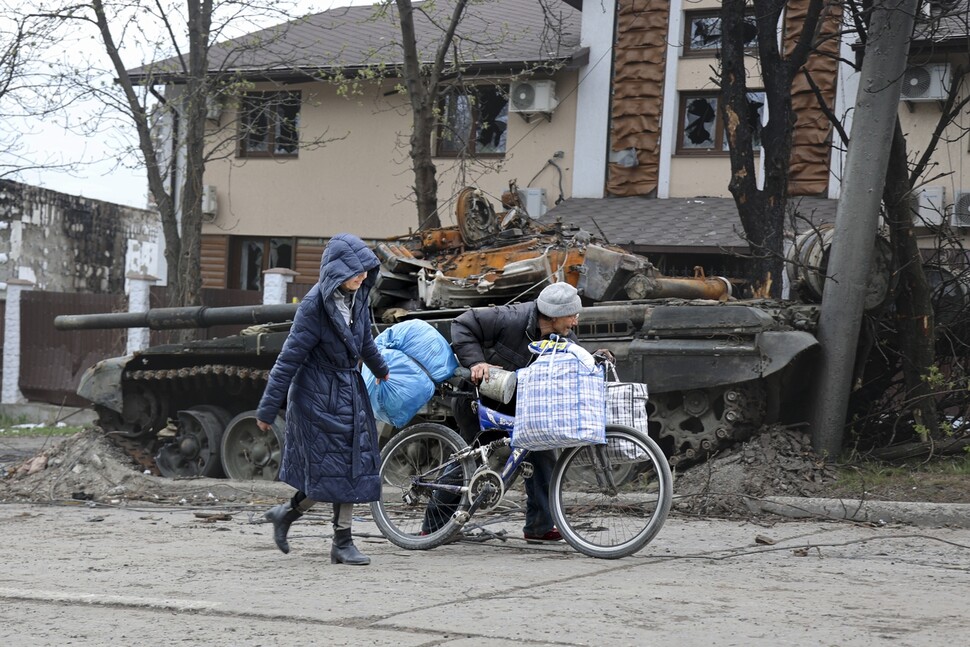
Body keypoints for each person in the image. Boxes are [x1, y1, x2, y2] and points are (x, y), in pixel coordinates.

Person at [257, 233, 389, 566]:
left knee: (347, 469)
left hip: (348, 389)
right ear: (337, 270)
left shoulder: (357, 296)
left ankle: (287, 514)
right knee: (338, 470)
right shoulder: (314, 306)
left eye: (365, 270)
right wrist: (267, 408)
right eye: (355, 271)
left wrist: (381, 369)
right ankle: (341, 543)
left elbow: (365, 341)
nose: (361, 276)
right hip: (316, 397)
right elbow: (288, 359)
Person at [446, 281, 611, 543]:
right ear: (555, 315)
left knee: (544, 456)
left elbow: (574, 360)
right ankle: (433, 525)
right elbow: (463, 323)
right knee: (474, 460)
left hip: (523, 406)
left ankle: (539, 527)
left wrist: (595, 357)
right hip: (481, 401)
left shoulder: (564, 336)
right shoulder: (510, 318)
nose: (575, 322)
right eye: (572, 316)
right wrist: (476, 361)